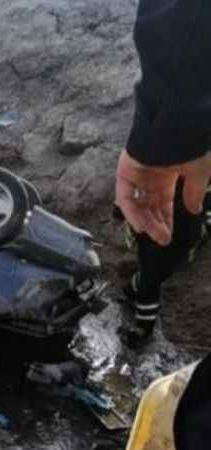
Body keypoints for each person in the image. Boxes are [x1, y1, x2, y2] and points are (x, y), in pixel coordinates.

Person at [115, 0, 211, 346]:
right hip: (186, 189)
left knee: (154, 264)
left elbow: (183, 18)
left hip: (170, 218)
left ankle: (143, 319)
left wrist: (159, 138)